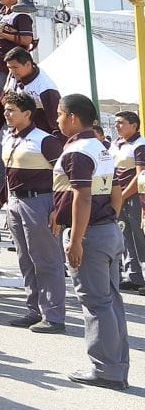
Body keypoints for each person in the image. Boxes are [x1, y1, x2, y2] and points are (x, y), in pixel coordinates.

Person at [52, 93, 129, 390]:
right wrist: (108, 218)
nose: (57, 120)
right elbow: (115, 190)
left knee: (96, 303)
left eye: (60, 114)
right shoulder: (101, 147)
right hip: (106, 229)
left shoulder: (77, 151)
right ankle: (116, 366)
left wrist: (77, 240)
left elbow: (82, 197)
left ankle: (106, 369)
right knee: (110, 301)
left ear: (72, 117)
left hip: (90, 233)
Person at [0, 90, 68, 330]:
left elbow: (64, 176)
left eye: (11, 110)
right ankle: (34, 310)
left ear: (27, 113)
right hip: (16, 202)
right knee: (25, 259)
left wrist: (58, 209)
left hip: (40, 201)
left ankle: (54, 316)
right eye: (5, 110)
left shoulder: (44, 140)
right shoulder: (8, 137)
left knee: (46, 260)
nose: (6, 114)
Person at [113, 111, 145, 293]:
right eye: (116, 123)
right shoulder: (116, 144)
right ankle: (134, 276)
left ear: (134, 125)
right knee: (125, 235)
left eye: (121, 122)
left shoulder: (140, 145)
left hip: (135, 196)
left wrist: (123, 195)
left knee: (140, 236)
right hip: (120, 196)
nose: (117, 126)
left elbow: (140, 175)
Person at [2, 47, 60, 134]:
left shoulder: (45, 87)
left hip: (39, 132)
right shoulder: (13, 76)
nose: (12, 71)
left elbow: (55, 119)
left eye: (15, 67)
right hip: (15, 128)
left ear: (28, 64)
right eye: (9, 67)